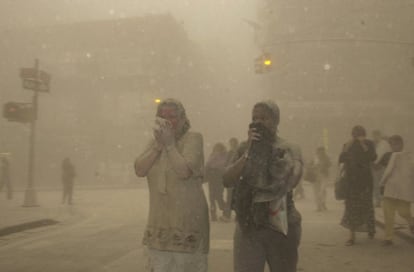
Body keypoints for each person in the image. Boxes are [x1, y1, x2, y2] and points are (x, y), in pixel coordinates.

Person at [223, 100, 303, 272]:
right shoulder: (244, 149)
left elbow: (292, 181)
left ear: (276, 121)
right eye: (255, 118)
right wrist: (248, 153)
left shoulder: (289, 148)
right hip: (248, 225)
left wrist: (283, 161)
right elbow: (227, 180)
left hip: (282, 225)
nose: (258, 122)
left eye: (264, 118)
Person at [134, 98, 209, 272]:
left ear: (183, 119)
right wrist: (158, 147)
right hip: (159, 225)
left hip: (187, 224)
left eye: (173, 116)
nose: (167, 121)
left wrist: (170, 145)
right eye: (162, 116)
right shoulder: (153, 143)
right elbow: (139, 169)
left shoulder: (194, 139)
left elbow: (184, 171)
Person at [339, 125, 377, 246]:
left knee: (367, 206)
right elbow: (341, 160)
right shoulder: (348, 145)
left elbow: (372, 157)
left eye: (360, 135)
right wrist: (347, 149)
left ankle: (370, 229)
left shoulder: (369, 144)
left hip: (365, 181)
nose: (358, 137)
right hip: (352, 181)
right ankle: (352, 236)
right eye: (356, 135)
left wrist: (364, 146)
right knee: (351, 208)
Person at [379, 135, 414, 246]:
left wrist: (382, 183)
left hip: (391, 188)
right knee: (404, 211)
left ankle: (389, 238)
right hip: (404, 190)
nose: (392, 147)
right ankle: (411, 222)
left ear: (400, 144)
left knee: (388, 214)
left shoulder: (394, 155)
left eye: (393, 144)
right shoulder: (410, 156)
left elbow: (388, 171)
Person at [205, 142, 228, 221]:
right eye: (215, 149)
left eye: (218, 149)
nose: (216, 150)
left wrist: (215, 163)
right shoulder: (213, 155)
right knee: (211, 197)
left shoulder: (225, 155)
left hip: (219, 178)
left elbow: (222, 165)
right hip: (212, 178)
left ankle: (225, 211)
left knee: (219, 197)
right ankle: (213, 215)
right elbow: (208, 164)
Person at [221, 137, 239, 222]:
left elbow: (226, 165)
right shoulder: (233, 152)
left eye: (232, 143)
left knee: (232, 197)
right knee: (232, 197)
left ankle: (231, 215)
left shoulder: (236, 152)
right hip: (234, 178)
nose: (231, 145)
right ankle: (230, 215)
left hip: (235, 178)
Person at [371, 130, 391, 207]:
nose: (375, 137)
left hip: (381, 166)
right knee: (375, 184)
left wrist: (378, 163)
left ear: (379, 135)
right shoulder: (374, 144)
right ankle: (378, 200)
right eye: (374, 136)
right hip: (374, 166)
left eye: (376, 135)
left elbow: (383, 154)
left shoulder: (384, 144)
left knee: (382, 184)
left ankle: (383, 200)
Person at [311, 147, 331, 211]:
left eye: (321, 152)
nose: (320, 153)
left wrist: (323, 165)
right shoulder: (314, 158)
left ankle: (322, 203)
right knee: (316, 192)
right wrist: (314, 166)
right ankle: (319, 205)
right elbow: (309, 165)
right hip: (315, 177)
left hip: (323, 176)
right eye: (319, 152)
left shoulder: (326, 158)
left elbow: (329, 164)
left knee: (322, 191)